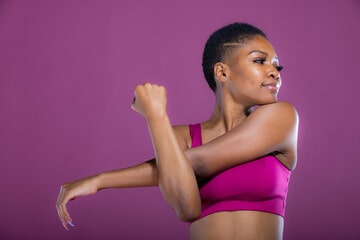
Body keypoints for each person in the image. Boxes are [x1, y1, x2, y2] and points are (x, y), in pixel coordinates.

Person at [56, 22, 299, 240]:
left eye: (278, 66)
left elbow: (195, 163)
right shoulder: (181, 138)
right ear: (222, 72)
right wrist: (157, 120)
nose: (274, 72)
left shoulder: (281, 117)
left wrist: (101, 180)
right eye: (260, 61)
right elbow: (187, 209)